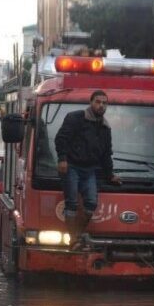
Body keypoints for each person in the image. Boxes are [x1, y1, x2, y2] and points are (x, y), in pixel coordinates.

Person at [54, 90, 122, 250]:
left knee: (91, 203)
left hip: (89, 170)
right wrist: (62, 159)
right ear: (90, 102)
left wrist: (110, 175)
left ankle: (76, 236)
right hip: (71, 166)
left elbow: (106, 154)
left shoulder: (105, 128)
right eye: (98, 102)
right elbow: (61, 139)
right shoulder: (75, 118)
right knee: (71, 203)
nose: (101, 105)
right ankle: (73, 240)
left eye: (104, 103)